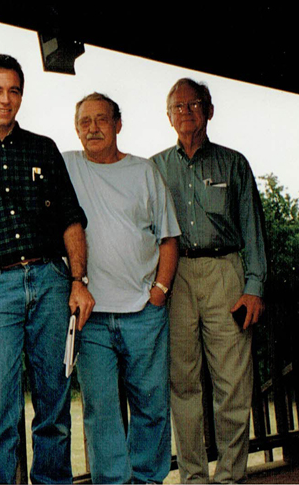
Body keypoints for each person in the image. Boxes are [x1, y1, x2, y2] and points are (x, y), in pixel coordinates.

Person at [0, 54, 94, 484]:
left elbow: (70, 218)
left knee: (54, 408)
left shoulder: (42, 148)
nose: (5, 99)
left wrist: (78, 282)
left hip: (51, 282)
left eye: (13, 91)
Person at [151, 78, 268, 484]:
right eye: (177, 107)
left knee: (232, 384)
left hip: (226, 274)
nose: (186, 112)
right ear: (168, 117)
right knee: (182, 384)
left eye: (194, 104)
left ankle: (231, 477)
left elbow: (253, 229)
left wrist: (254, 286)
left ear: (209, 110)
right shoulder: (154, 167)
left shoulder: (234, 163)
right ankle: (194, 478)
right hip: (175, 276)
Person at [62, 92, 180, 484]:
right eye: (84, 122)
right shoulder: (65, 166)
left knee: (151, 406)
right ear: (76, 128)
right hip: (90, 317)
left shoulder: (145, 171)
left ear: (118, 124)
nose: (93, 128)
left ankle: (147, 481)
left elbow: (168, 237)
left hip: (144, 312)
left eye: (101, 120)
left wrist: (160, 289)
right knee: (101, 410)